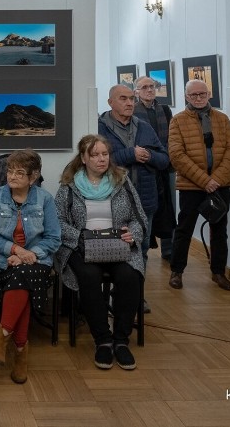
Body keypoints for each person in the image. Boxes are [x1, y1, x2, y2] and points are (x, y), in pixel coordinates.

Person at [54, 135, 146, 370]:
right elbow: (57, 222)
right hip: (82, 247)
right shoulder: (69, 186)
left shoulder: (122, 181)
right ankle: (103, 341)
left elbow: (139, 218)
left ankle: (121, 341)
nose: (101, 159)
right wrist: (80, 236)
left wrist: (132, 235)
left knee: (129, 276)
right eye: (95, 155)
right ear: (84, 158)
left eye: (104, 154)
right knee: (88, 277)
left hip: (119, 246)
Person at [0, 149, 60, 384]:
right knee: (22, 281)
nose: (12, 176)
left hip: (38, 261)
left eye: (19, 172)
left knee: (22, 276)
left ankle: (3, 333)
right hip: (4, 260)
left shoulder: (44, 200)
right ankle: (20, 353)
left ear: (33, 176)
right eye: (9, 171)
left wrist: (29, 255)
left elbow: (54, 238)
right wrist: (17, 251)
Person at [98, 84, 168, 312]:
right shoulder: (100, 129)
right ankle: (108, 298)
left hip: (144, 200)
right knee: (110, 250)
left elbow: (165, 160)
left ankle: (136, 296)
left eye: (131, 99)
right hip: (110, 201)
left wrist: (149, 156)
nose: (129, 103)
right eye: (123, 98)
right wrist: (131, 154)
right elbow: (97, 162)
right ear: (111, 102)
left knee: (141, 249)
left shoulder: (144, 127)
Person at [168, 80, 230, 291]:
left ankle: (218, 272)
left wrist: (216, 179)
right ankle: (177, 271)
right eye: (194, 95)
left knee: (220, 230)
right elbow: (177, 155)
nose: (198, 98)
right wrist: (204, 181)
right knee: (184, 229)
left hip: (220, 184)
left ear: (209, 94)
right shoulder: (178, 121)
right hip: (192, 186)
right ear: (186, 97)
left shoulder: (222, 119)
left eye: (202, 94)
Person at [133, 76, 176, 262]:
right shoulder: (132, 111)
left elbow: (172, 138)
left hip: (165, 165)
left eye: (152, 86)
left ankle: (169, 249)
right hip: (142, 166)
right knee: (144, 207)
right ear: (136, 92)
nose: (149, 90)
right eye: (144, 87)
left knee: (168, 206)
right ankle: (142, 250)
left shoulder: (164, 110)